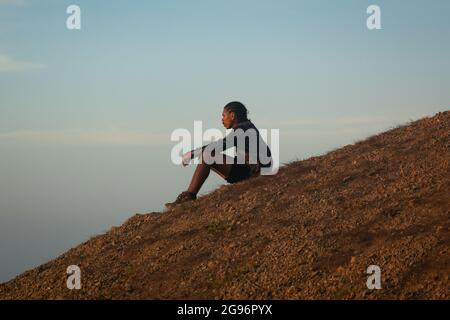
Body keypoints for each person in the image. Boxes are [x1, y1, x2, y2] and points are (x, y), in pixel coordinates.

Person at [165, 101, 272, 209]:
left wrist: (191, 154)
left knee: (208, 154)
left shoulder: (243, 129)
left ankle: (188, 197)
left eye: (223, 115)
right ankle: (188, 196)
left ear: (232, 115)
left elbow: (220, 145)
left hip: (253, 174)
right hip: (251, 170)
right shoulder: (246, 126)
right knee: (207, 155)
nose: (222, 119)